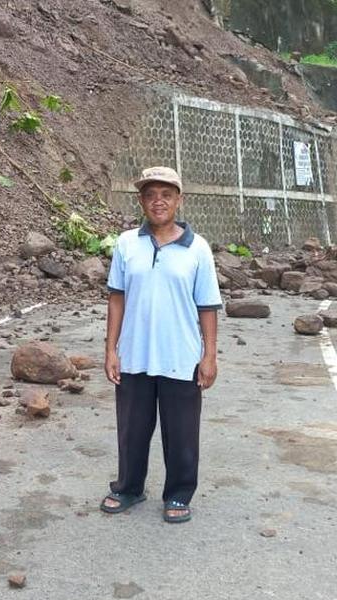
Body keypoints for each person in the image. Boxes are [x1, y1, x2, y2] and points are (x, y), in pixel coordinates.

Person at [99, 166, 222, 524]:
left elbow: (208, 306)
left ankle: (179, 494)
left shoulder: (197, 248)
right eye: (151, 195)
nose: (158, 202)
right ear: (141, 200)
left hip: (180, 356)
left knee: (182, 431)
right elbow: (116, 299)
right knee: (132, 429)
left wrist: (209, 356)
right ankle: (128, 488)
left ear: (178, 200)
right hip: (134, 354)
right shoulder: (126, 244)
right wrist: (111, 350)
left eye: (166, 194)